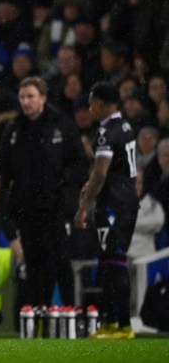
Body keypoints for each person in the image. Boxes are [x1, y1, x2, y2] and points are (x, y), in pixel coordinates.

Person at [0, 76, 88, 311]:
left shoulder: (62, 125)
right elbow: (1, 167)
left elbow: (79, 164)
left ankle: (69, 314)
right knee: (34, 265)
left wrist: (62, 188)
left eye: (31, 97)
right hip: (27, 210)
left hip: (56, 209)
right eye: (22, 97)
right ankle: (39, 316)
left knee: (60, 262)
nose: (26, 102)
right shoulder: (14, 129)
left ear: (43, 98)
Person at [74, 82, 139, 339]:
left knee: (115, 262)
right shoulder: (125, 126)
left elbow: (101, 173)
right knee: (110, 261)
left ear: (100, 103)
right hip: (127, 199)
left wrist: (83, 207)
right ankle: (112, 322)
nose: (90, 109)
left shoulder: (105, 131)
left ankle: (123, 325)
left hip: (113, 202)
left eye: (91, 103)